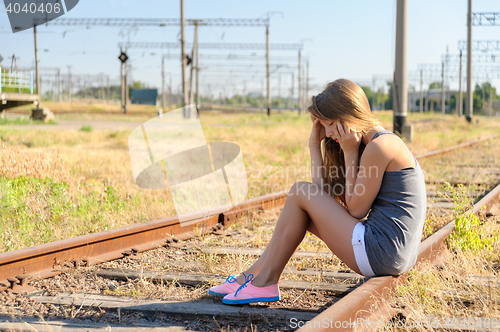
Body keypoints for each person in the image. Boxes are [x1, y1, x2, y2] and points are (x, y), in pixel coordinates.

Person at [208, 78, 427, 305]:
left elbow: (356, 210)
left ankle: (264, 282)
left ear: (347, 117)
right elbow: (321, 198)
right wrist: (314, 144)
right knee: (301, 202)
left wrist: (350, 153)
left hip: (382, 252)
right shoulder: (376, 143)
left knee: (299, 190)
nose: (328, 131)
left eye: (329, 123)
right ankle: (252, 278)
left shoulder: (380, 147)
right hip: (388, 253)